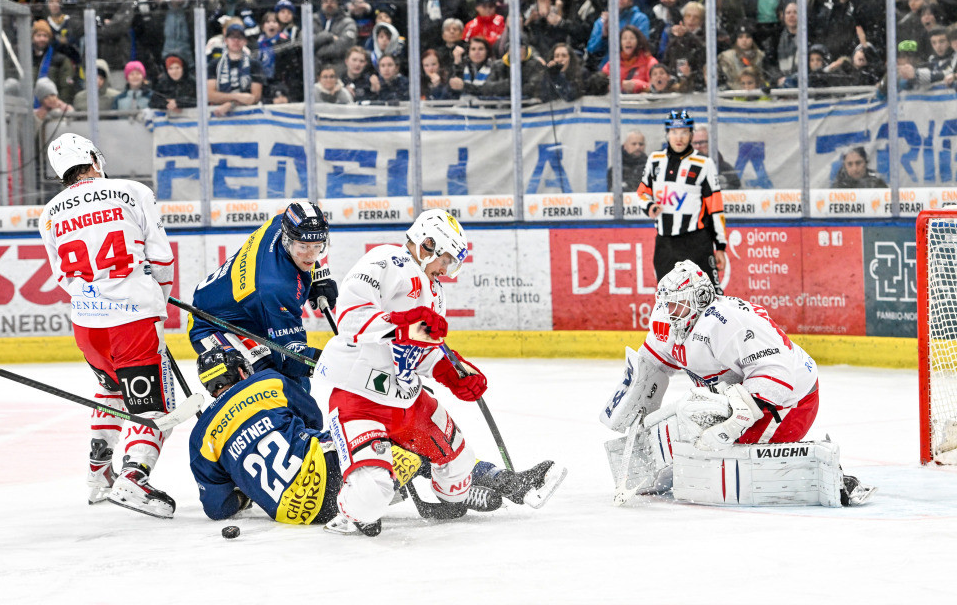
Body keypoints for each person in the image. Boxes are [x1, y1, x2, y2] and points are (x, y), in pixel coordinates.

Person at [598, 260, 876, 508]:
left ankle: (821, 469)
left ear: (700, 298)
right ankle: (651, 476)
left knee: (707, 431)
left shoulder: (726, 323)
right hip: (743, 395)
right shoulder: (669, 321)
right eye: (666, 303)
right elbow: (651, 368)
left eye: (676, 304)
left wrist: (730, 427)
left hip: (792, 401)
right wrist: (636, 406)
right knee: (688, 418)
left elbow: (777, 377)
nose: (668, 312)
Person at [189, 345, 564, 528]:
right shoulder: (267, 381)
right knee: (395, 431)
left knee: (383, 450)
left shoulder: (201, 435)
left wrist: (243, 489)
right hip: (326, 473)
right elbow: (316, 419)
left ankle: (443, 488)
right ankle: (499, 482)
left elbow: (218, 508)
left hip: (302, 515)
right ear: (241, 372)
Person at [313, 210, 487, 533]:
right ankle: (349, 510)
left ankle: (421, 484)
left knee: (461, 470)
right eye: (445, 259)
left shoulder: (436, 293)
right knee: (370, 496)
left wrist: (452, 371)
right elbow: (350, 318)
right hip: (360, 398)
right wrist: (407, 326)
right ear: (427, 244)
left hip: (408, 401)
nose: (446, 270)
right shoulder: (387, 260)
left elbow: (418, 351)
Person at [38, 133, 178, 517]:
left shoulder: (49, 213)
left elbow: (64, 279)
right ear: (92, 159)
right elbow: (162, 259)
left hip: (87, 325)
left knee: (112, 391)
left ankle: (98, 477)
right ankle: (134, 479)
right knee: (156, 406)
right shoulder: (131, 190)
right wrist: (157, 302)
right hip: (133, 319)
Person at [189, 201, 337, 395]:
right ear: (287, 240)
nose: (311, 255)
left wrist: (317, 276)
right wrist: (337, 362)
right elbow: (292, 358)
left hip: (251, 311)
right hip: (213, 324)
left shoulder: (280, 223)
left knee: (296, 387)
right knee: (271, 385)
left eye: (317, 246)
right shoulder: (276, 287)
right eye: (303, 247)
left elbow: (305, 247)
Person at [637, 110, 727, 289]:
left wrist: (721, 247)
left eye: (684, 132)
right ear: (667, 133)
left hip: (697, 242)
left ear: (691, 134)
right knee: (669, 300)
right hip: (665, 243)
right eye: (674, 132)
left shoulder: (704, 164)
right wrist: (649, 205)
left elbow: (715, 207)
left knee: (711, 297)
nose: (679, 137)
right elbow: (642, 193)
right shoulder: (654, 161)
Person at [78, 0, 134, 89]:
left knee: (117, 99)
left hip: (117, 61)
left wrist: (94, 26)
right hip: (92, 61)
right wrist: (104, 25)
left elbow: (119, 27)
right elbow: (76, 26)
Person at [207, 20, 264, 117]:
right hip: (219, 116)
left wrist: (230, 104)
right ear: (226, 40)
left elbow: (254, 98)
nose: (236, 41)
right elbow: (210, 95)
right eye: (232, 37)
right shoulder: (214, 64)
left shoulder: (255, 64)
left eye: (240, 37)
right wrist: (237, 96)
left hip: (248, 117)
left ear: (245, 41)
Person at [313, 0, 358, 68]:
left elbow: (343, 47)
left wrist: (318, 51)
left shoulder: (348, 22)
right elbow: (305, 43)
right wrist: (329, 36)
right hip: (315, 67)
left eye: (332, 0)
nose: (329, 4)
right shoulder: (312, 21)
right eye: (325, 0)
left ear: (338, 2)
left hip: (339, 67)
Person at [692, 125, 740, 190]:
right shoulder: (685, 165)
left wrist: (722, 188)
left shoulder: (723, 167)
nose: (697, 146)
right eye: (695, 143)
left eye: (702, 142)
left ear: (711, 143)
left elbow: (736, 186)